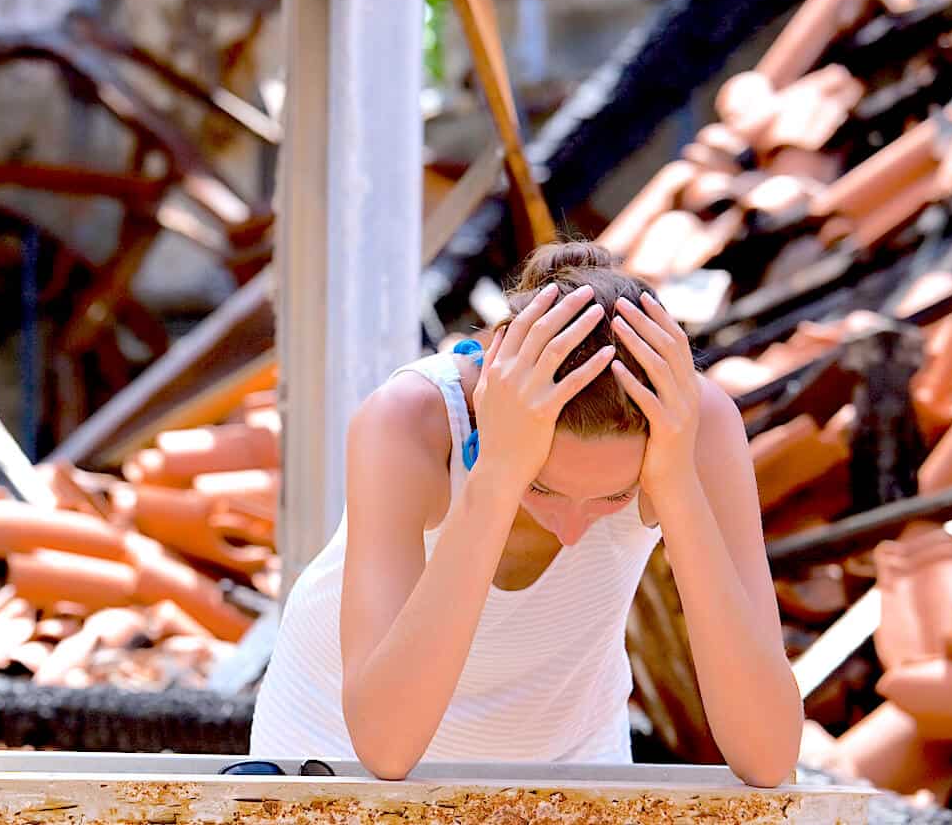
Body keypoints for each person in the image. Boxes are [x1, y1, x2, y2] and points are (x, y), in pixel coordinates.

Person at [250, 242, 802, 786]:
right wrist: (497, 474)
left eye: (614, 498)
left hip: (568, 767)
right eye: (543, 488)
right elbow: (386, 747)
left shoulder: (692, 424)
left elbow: (769, 755)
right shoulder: (410, 421)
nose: (571, 531)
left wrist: (677, 485)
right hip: (334, 756)